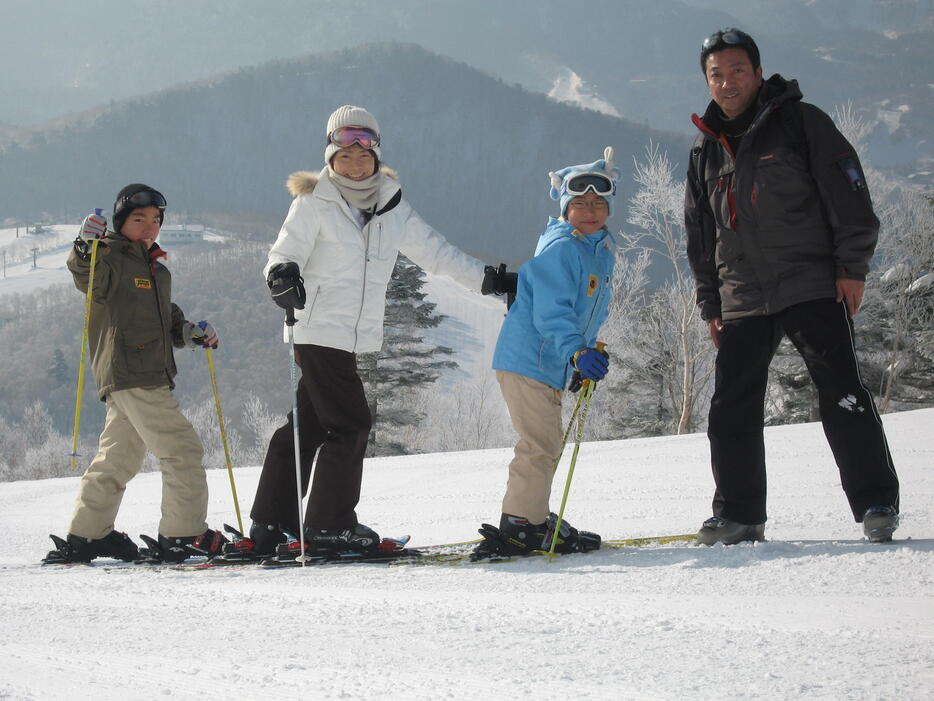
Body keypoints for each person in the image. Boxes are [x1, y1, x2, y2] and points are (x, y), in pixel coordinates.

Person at [232, 105, 507, 559]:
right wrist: (281, 275)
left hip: (352, 335)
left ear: (376, 155)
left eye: (364, 155)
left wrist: (489, 280)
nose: (356, 164)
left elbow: (436, 253)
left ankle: (272, 523)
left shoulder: (392, 205)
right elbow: (285, 251)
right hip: (317, 328)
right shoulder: (313, 200)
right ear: (330, 157)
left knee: (308, 426)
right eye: (345, 156)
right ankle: (329, 527)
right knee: (351, 424)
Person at [684, 28, 900, 545]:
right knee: (730, 406)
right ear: (707, 82)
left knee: (842, 393)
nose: (728, 82)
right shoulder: (705, 150)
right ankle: (739, 515)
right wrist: (710, 301)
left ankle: (876, 502)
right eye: (717, 74)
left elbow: (850, 197)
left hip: (811, 282)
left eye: (737, 70)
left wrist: (852, 268)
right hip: (741, 296)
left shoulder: (802, 124)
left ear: (758, 73)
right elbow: (699, 233)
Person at [44, 184, 226, 564]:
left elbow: (166, 321)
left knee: (118, 459)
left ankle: (88, 534)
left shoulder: (156, 270)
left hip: (137, 374)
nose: (149, 227)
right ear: (120, 222)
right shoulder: (108, 257)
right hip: (134, 372)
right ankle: (183, 533)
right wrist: (83, 246)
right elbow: (87, 276)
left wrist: (192, 332)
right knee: (182, 449)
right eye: (139, 219)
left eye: (156, 220)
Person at [472, 148, 619, 559]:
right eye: (579, 204)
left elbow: (585, 311)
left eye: (597, 203)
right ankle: (521, 524)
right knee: (539, 443)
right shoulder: (563, 250)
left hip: (544, 361)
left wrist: (581, 354)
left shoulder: (597, 250)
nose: (589, 210)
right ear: (565, 208)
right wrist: (575, 352)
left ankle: (532, 515)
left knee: (546, 441)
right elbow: (552, 311)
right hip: (528, 359)